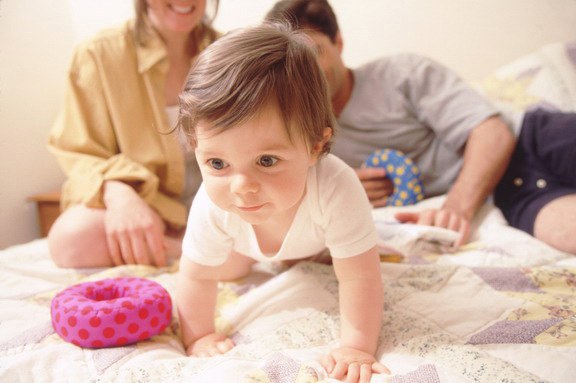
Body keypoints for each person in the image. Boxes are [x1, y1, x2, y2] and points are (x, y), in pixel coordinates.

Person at [175, 23, 389, 382]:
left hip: (318, 236)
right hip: (245, 242)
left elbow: (361, 277)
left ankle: (314, 251)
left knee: (349, 255)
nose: (242, 187)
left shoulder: (336, 187)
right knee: (218, 265)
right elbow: (196, 277)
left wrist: (356, 346)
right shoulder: (213, 205)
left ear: (315, 147)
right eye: (217, 164)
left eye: (267, 161)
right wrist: (198, 336)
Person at [265, 0, 516, 248]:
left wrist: (456, 208)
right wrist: (336, 184)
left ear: (338, 43)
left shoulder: (403, 74)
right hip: (509, 198)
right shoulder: (297, 133)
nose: (306, 71)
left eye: (314, 52)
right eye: (293, 61)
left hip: (527, 148)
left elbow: (492, 133)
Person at [47, 0, 220, 268]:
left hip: (220, 197)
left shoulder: (231, 53)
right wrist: (121, 197)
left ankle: (195, 250)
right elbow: (78, 153)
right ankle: (193, 252)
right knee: (70, 239)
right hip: (152, 203)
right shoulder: (98, 55)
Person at [494, 109, 576, 255]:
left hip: (529, 137)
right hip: (507, 195)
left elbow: (492, 133)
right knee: (565, 234)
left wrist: (457, 207)